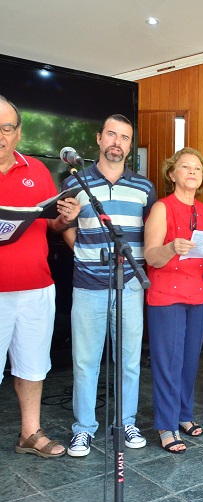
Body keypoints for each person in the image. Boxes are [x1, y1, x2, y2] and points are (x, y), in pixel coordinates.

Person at [62, 114, 157, 457]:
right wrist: (83, 253)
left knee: (129, 360)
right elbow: (64, 226)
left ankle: (126, 421)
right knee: (86, 360)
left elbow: (150, 234)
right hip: (88, 284)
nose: (117, 142)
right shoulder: (75, 180)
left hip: (130, 284)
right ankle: (84, 429)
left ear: (130, 145)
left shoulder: (144, 187)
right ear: (100, 138)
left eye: (125, 137)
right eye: (112, 135)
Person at [0, 95, 80, 458]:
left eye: (6, 127)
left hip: (37, 289)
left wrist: (65, 216)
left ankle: (30, 434)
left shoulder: (36, 169)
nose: (0, 134)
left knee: (33, 365)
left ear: (18, 133)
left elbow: (52, 222)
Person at [144, 148, 203, 453]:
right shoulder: (162, 208)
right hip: (167, 292)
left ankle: (184, 414)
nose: (192, 172)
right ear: (171, 174)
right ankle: (166, 424)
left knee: (191, 361)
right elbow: (151, 256)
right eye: (185, 167)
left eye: (197, 169)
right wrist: (171, 247)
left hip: (202, 293)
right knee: (168, 361)